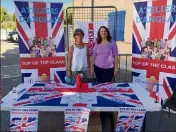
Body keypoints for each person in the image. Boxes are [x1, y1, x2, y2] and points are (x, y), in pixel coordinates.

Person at [90, 26, 118, 132]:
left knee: (107, 89)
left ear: (107, 32)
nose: (103, 33)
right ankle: (102, 108)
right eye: (101, 31)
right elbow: (93, 56)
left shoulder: (112, 43)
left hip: (108, 69)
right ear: (99, 33)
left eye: (105, 31)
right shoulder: (97, 43)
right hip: (98, 69)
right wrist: (92, 67)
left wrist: (116, 69)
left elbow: (116, 57)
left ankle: (108, 110)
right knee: (99, 88)